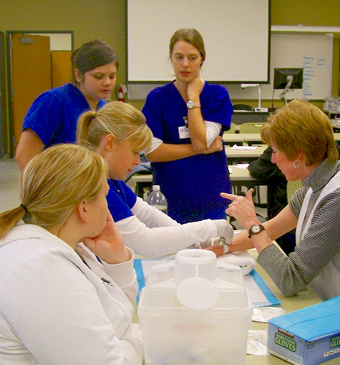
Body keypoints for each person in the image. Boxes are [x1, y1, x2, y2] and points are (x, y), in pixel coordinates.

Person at [0, 144, 143, 365]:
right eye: (104, 196)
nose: (109, 206)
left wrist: (118, 260)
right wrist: (146, 335)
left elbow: (121, 318)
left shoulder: (67, 246)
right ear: (83, 207)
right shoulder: (39, 267)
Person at [215, 99, 340, 314]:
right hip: (326, 307)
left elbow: (290, 280)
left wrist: (252, 223)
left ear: (298, 154)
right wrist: (217, 248)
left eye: (275, 151)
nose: (272, 160)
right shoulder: (314, 186)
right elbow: (271, 230)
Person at [77, 102, 234, 257]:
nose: (137, 162)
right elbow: (146, 243)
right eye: (134, 152)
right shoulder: (94, 184)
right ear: (110, 143)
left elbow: (147, 214)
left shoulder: (111, 180)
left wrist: (191, 241)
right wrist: (210, 228)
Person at [142, 28, 233, 223]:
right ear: (171, 58)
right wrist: (199, 150)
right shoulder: (157, 99)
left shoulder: (216, 95)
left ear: (202, 59)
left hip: (211, 199)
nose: (185, 64)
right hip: (169, 201)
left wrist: (193, 98)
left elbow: (201, 141)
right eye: (179, 57)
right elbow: (153, 152)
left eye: (192, 58)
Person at [15, 39, 118, 171]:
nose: (107, 82)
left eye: (112, 76)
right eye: (98, 76)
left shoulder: (104, 108)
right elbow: (25, 157)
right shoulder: (53, 102)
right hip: (58, 182)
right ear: (78, 75)